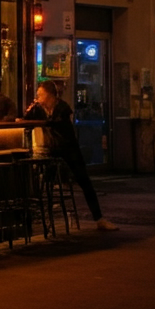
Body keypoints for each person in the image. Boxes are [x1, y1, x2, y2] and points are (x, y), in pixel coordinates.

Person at [25, 80, 119, 231]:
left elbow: (56, 123)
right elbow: (26, 120)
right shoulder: (39, 108)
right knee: (43, 182)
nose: (38, 97)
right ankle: (43, 218)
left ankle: (99, 218)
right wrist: (30, 110)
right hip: (52, 151)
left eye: (40, 95)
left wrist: (44, 121)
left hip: (69, 149)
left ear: (50, 96)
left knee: (84, 181)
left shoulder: (62, 107)